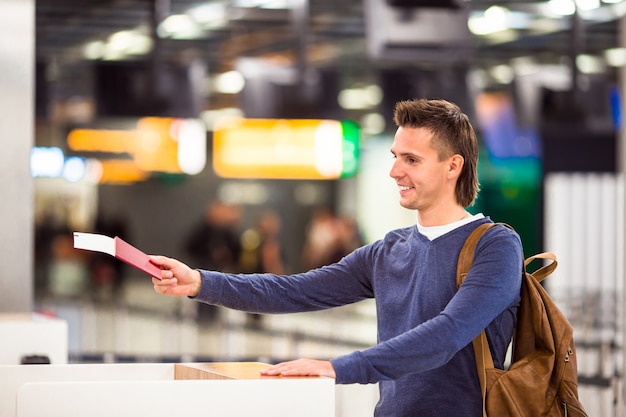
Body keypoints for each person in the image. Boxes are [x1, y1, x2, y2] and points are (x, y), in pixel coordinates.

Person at [151, 98, 523, 417]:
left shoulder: (495, 246)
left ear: (452, 166)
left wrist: (338, 368)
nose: (395, 171)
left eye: (411, 160)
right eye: (395, 157)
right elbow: (293, 290)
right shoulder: (389, 251)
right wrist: (199, 282)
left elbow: (448, 334)